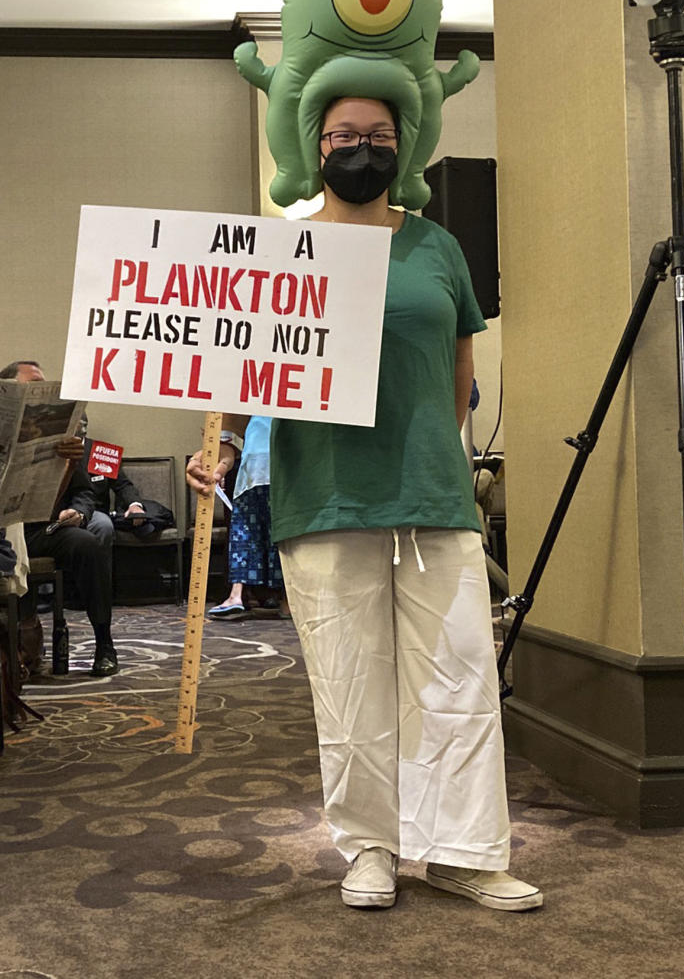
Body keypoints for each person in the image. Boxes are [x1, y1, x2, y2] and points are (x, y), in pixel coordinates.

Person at [189, 97, 541, 913]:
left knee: (458, 675)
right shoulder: (279, 250)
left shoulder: (437, 247)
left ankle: (465, 850)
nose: (361, 149)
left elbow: (459, 367)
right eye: (344, 137)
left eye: (378, 137)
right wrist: (226, 446)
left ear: (402, 147)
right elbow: (244, 369)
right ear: (315, 147)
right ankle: (370, 846)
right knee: (349, 681)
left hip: (432, 494)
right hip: (325, 494)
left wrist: (424, 449)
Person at [0, 359, 133, 677]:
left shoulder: (62, 437)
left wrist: (80, 512)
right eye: (32, 385)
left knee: (87, 542)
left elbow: (85, 492)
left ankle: (104, 643)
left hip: (44, 528)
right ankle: (9, 647)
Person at [207, 415, 287, 620]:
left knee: (275, 535)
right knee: (244, 533)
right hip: (253, 468)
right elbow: (229, 432)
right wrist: (221, 467)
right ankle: (237, 595)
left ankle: (281, 598)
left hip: (275, 466)